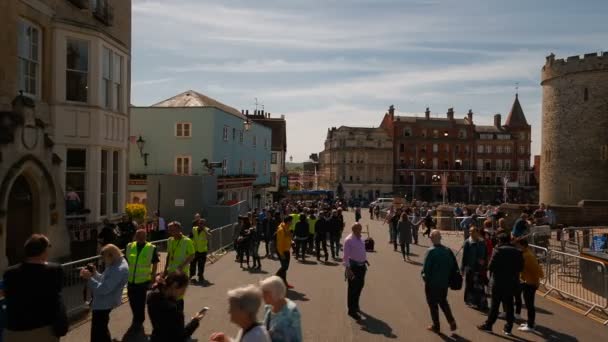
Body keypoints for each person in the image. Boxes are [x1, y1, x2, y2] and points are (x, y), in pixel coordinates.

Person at [3, 234, 67, 342]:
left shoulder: (10, 273)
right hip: (42, 329)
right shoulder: (54, 270)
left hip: (14, 329)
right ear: (44, 251)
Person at [81, 244, 129, 342]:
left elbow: (104, 289)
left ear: (111, 255)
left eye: (104, 258)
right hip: (102, 303)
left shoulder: (119, 269)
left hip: (104, 304)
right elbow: (104, 279)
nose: (103, 261)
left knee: (98, 334)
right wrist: (94, 273)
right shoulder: (115, 263)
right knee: (102, 330)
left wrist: (89, 278)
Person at [478, 233, 524, 336]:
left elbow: (491, 267)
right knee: (509, 305)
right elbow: (520, 268)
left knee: (495, 305)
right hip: (512, 282)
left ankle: (489, 325)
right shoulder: (518, 252)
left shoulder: (498, 250)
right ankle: (508, 328)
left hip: (499, 282)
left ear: (500, 241)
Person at [147, 272, 204, 342]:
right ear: (175, 285)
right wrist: (195, 321)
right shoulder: (173, 309)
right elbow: (181, 336)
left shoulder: (151, 297)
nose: (183, 293)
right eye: (183, 289)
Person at [124, 229, 160, 337]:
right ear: (135, 236)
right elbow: (125, 261)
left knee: (139, 302)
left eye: (142, 235)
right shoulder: (130, 246)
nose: (140, 237)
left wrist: (153, 276)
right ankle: (137, 318)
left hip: (143, 281)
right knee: (132, 301)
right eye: (138, 235)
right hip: (130, 281)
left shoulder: (151, 248)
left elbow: (155, 262)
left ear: (146, 236)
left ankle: (138, 321)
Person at [421, 230, 457, 333]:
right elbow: (451, 267)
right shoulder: (447, 250)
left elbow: (426, 270)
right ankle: (451, 321)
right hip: (444, 282)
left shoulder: (431, 251)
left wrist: (424, 277)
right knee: (443, 301)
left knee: (433, 305)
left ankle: (436, 326)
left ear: (432, 238)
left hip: (432, 283)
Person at [165, 221, 195, 312]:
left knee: (178, 296)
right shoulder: (170, 240)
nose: (170, 232)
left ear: (179, 229)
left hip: (181, 274)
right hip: (171, 272)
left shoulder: (187, 241)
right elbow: (169, 255)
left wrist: (181, 267)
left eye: (172, 230)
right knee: (170, 294)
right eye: (169, 230)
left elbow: (192, 255)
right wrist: (165, 269)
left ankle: (179, 317)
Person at [260, 276, 303, 342]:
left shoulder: (291, 312)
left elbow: (296, 339)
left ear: (273, 293)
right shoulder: (268, 307)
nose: (262, 295)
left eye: (264, 293)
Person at [515, 239, 544, 333]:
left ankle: (530, 325)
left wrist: (535, 281)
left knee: (529, 304)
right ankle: (530, 322)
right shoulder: (526, 253)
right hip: (528, 281)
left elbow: (535, 269)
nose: (517, 247)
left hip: (530, 283)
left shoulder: (527, 255)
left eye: (518, 245)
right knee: (529, 304)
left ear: (522, 245)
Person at [343, 223, 368, 320]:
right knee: (352, 289)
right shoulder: (349, 240)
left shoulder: (360, 238)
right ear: (354, 230)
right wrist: (348, 270)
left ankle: (356, 305)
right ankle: (351, 310)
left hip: (362, 267)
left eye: (361, 229)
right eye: (359, 229)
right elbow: (345, 257)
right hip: (354, 268)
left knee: (360, 286)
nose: (360, 231)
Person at [461, 227, 487, 310]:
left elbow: (485, 254)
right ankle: (469, 300)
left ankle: (480, 302)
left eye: (472, 231)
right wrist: (462, 268)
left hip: (480, 267)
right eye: (470, 231)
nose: (470, 233)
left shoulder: (482, 242)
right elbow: (464, 256)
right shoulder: (467, 242)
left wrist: (484, 262)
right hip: (470, 267)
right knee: (469, 285)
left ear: (477, 232)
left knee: (480, 285)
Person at [190, 218, 212, 283]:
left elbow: (210, 237)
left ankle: (200, 276)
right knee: (193, 264)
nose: (201, 225)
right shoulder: (194, 229)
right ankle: (192, 276)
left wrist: (204, 230)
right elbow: (190, 237)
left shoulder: (207, 230)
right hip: (194, 250)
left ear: (204, 224)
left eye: (202, 224)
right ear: (198, 223)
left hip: (202, 251)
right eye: (200, 223)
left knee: (201, 264)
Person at [276, 216, 294, 288]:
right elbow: (279, 243)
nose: (292, 222)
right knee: (284, 267)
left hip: (286, 250)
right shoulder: (281, 229)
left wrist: (291, 241)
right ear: (288, 221)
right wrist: (281, 254)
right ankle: (275, 277)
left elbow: (287, 238)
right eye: (291, 221)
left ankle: (284, 283)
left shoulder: (287, 227)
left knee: (285, 268)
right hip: (282, 251)